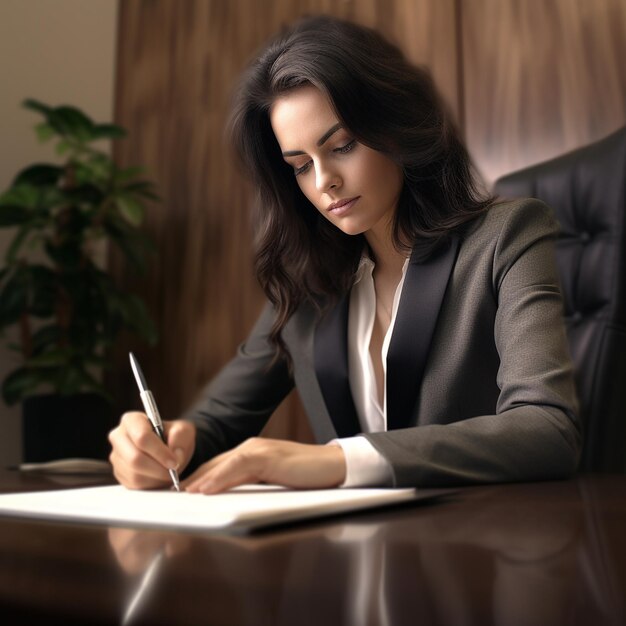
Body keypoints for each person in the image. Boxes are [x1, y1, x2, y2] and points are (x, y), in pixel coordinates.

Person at [108, 15, 581, 494]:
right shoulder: (308, 278)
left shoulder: (507, 236)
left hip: (477, 551)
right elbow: (217, 422)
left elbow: (547, 428)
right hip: (352, 557)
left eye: (342, 146)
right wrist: (165, 444)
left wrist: (339, 460)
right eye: (299, 166)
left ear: (395, 127)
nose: (323, 181)